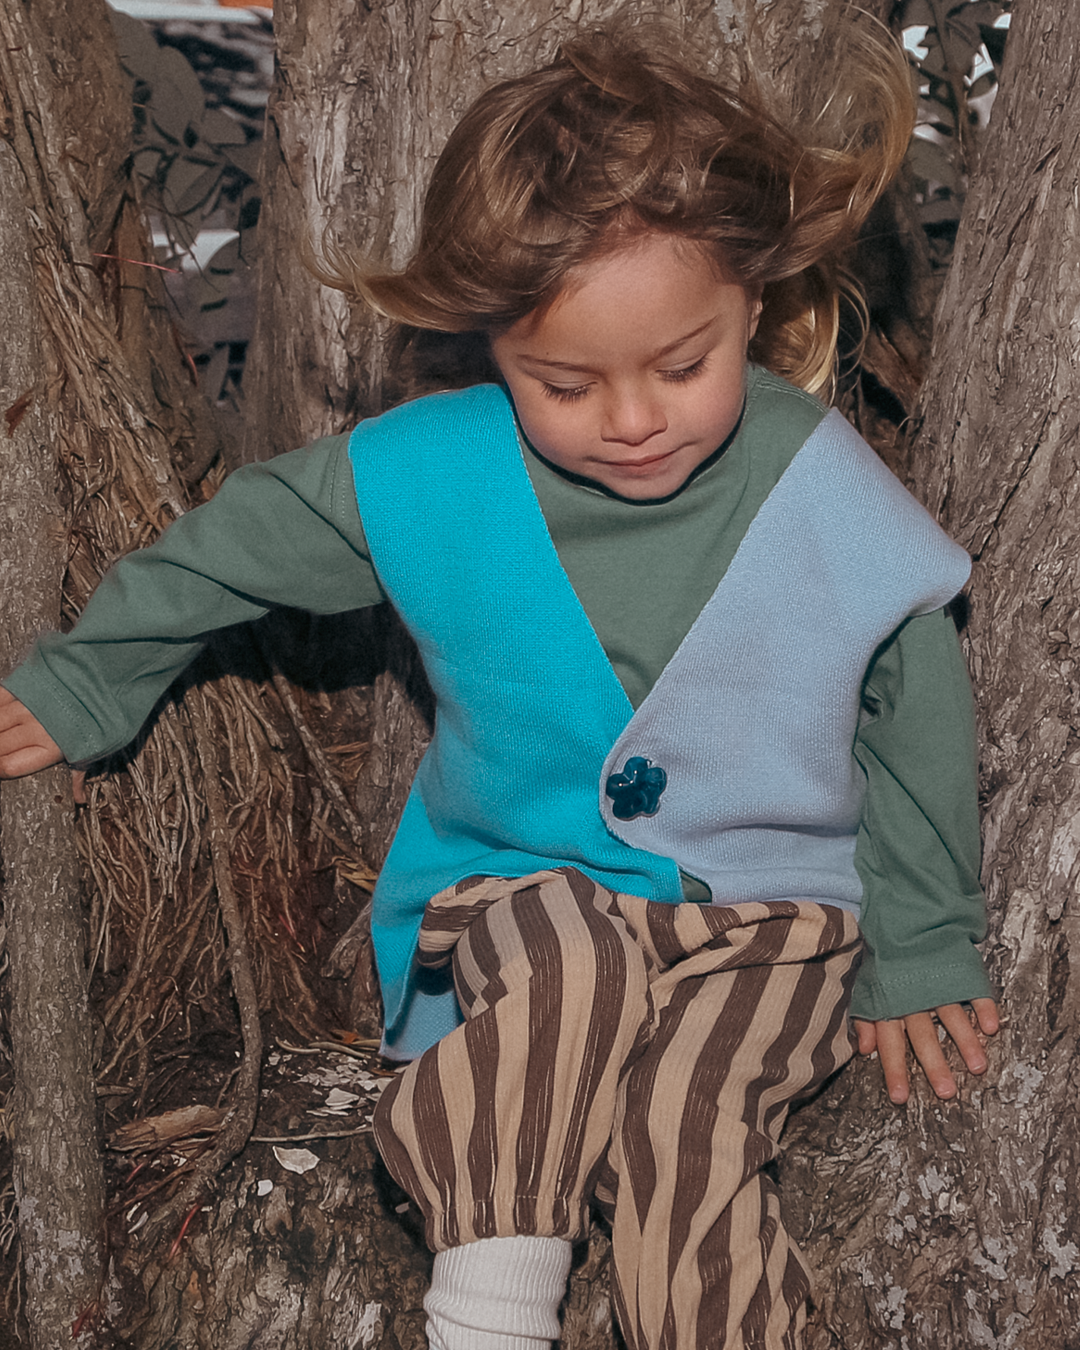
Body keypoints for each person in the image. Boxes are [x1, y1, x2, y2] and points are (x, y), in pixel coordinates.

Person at [0, 18, 998, 1350]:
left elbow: (911, 690)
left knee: (687, 1123)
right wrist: (86, 682)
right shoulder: (437, 470)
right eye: (565, 381)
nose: (634, 417)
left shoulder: (812, 478)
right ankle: (490, 1305)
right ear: (490, 349)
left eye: (684, 365)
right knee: (567, 971)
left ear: (752, 307)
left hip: (771, 919)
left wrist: (925, 939)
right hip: (519, 889)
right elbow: (229, 549)